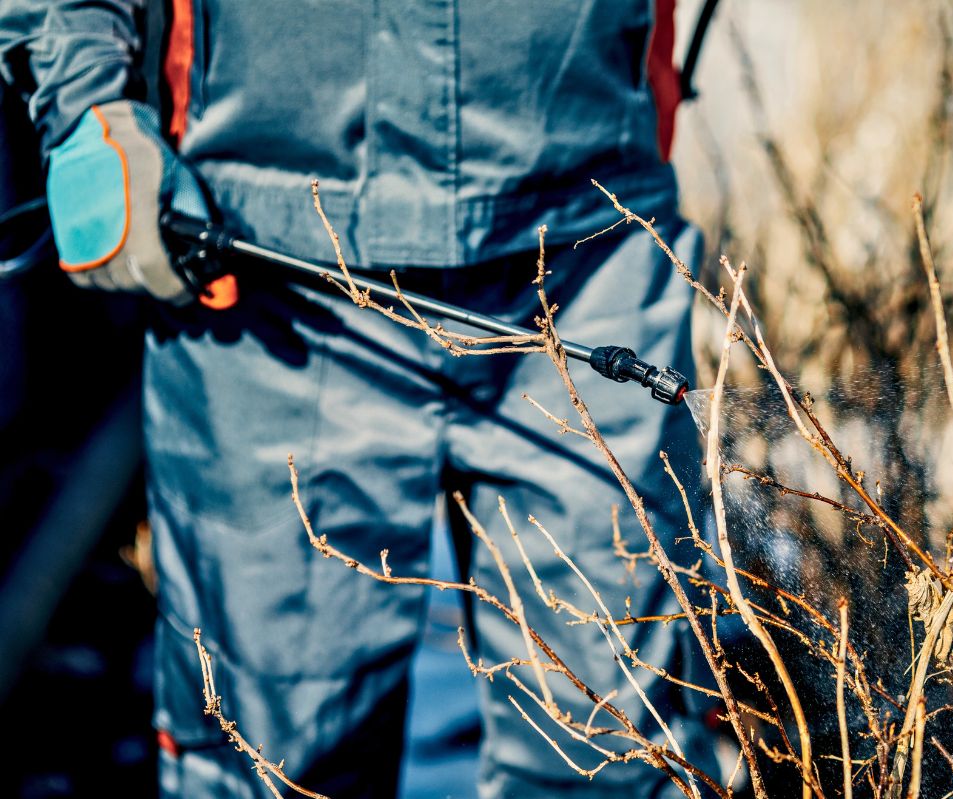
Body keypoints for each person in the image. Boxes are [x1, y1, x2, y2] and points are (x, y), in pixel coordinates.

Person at [0, 2, 710, 797]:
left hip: (592, 235)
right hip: (267, 276)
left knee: (620, 760)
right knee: (271, 770)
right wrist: (83, 96)